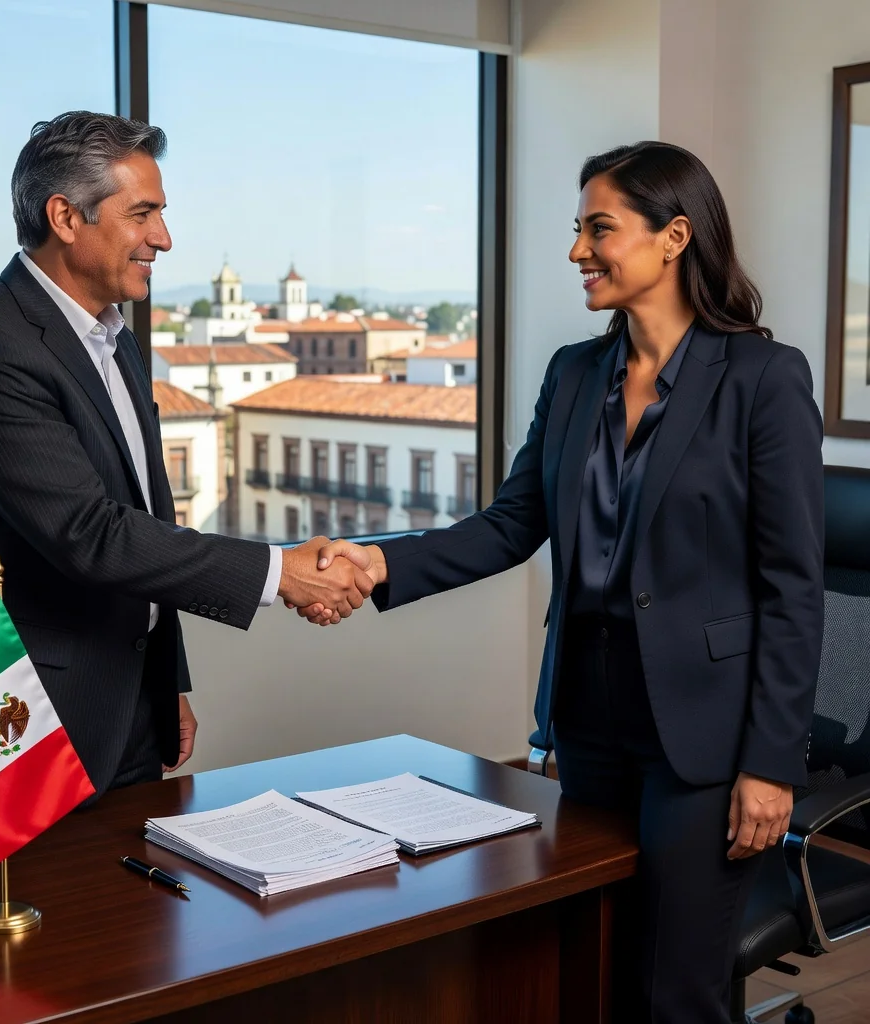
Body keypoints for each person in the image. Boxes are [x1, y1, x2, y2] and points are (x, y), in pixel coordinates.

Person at [293, 142, 825, 1023]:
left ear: (674, 237)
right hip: (588, 716)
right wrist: (377, 561)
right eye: (577, 229)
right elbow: (512, 524)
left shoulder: (763, 381)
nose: (578, 250)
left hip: (704, 734)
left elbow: (793, 587)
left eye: (599, 229)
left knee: (676, 992)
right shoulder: (575, 374)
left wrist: (771, 763)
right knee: (596, 960)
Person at [0, 111, 372, 825]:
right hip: (14, 711)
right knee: (23, 930)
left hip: (126, 705)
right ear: (65, 217)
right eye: (142, 214)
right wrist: (280, 573)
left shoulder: (114, 337)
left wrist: (166, 680)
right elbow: (92, 533)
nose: (164, 239)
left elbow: (148, 517)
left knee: (136, 927)